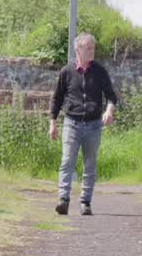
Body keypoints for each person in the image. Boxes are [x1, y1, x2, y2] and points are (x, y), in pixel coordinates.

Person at [49, 32, 117, 216]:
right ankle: (63, 200)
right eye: (88, 48)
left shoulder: (100, 71)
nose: (92, 51)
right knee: (67, 161)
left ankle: (85, 202)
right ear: (78, 49)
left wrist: (109, 110)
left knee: (90, 164)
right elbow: (56, 99)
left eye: (93, 48)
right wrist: (53, 123)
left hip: (94, 125)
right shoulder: (66, 72)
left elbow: (112, 96)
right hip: (71, 123)